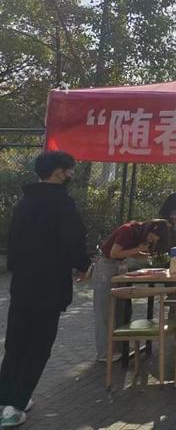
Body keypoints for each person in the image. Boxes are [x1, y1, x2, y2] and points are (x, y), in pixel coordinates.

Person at [0, 151, 90, 428]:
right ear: (58, 171)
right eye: (69, 169)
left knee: (16, 342)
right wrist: (82, 265)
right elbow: (74, 239)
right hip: (49, 286)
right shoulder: (63, 202)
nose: (71, 174)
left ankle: (7, 398)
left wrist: (20, 269)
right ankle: (13, 407)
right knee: (38, 346)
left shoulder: (25, 202)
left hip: (23, 284)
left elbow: (13, 243)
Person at [93, 219, 171, 362]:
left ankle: (119, 347)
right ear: (151, 229)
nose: (153, 241)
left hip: (120, 266)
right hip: (106, 266)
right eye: (153, 237)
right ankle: (104, 353)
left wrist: (141, 255)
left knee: (120, 309)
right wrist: (137, 250)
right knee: (105, 310)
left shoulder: (138, 234)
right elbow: (114, 253)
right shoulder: (127, 230)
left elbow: (125, 252)